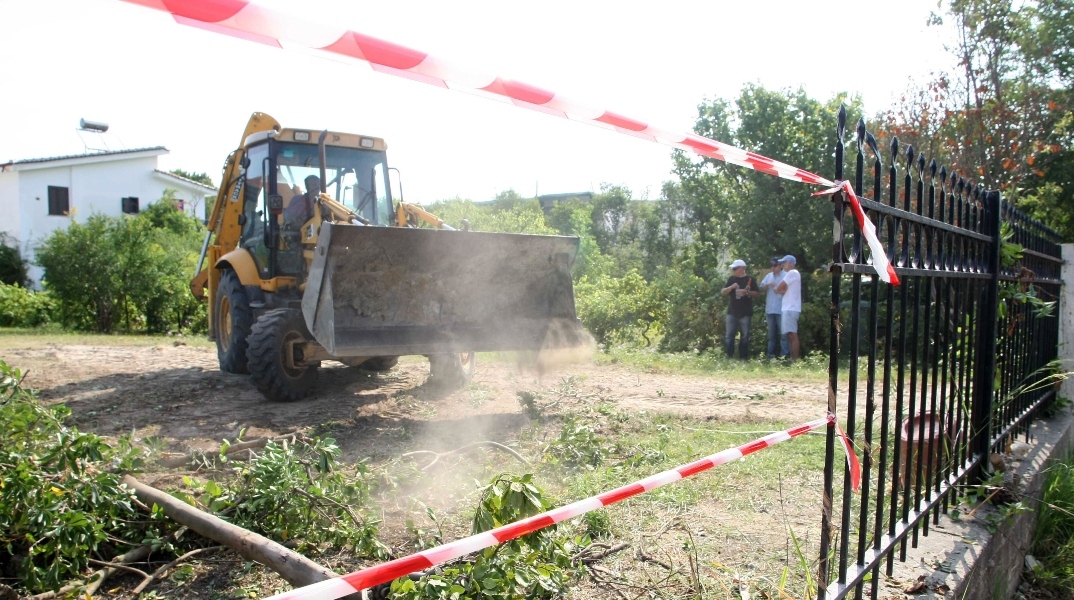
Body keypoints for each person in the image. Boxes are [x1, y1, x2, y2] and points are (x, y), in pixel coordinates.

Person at [720, 259, 760, 360]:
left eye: (735, 268)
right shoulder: (731, 279)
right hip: (732, 312)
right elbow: (723, 292)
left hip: (745, 312)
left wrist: (746, 292)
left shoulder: (750, 279)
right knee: (729, 336)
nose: (733, 270)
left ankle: (743, 359)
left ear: (742, 268)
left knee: (745, 337)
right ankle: (729, 357)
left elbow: (758, 294)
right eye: (733, 269)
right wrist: (731, 287)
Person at [774, 254, 802, 360]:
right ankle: (792, 359)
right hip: (789, 308)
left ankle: (795, 360)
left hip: (791, 308)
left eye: (784, 263)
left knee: (792, 335)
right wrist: (779, 290)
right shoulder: (792, 274)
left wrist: (777, 289)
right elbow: (783, 289)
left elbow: (780, 287)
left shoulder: (792, 273)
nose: (782, 265)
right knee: (789, 335)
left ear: (790, 263)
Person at [759, 257, 787, 359]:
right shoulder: (768, 276)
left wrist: (778, 289)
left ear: (780, 266)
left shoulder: (786, 276)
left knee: (783, 334)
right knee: (771, 335)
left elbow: (790, 291)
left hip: (781, 309)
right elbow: (760, 289)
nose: (773, 268)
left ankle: (784, 357)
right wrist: (767, 284)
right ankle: (770, 356)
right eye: (771, 266)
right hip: (770, 309)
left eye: (775, 265)